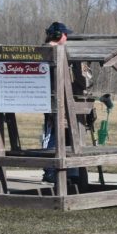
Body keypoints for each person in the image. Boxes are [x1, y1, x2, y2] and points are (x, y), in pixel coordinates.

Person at [39, 22, 89, 189]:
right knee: (52, 135)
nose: (67, 37)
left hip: (62, 100)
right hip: (51, 101)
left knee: (67, 134)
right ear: (59, 35)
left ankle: (71, 173)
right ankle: (50, 170)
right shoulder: (47, 51)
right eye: (65, 34)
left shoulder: (56, 51)